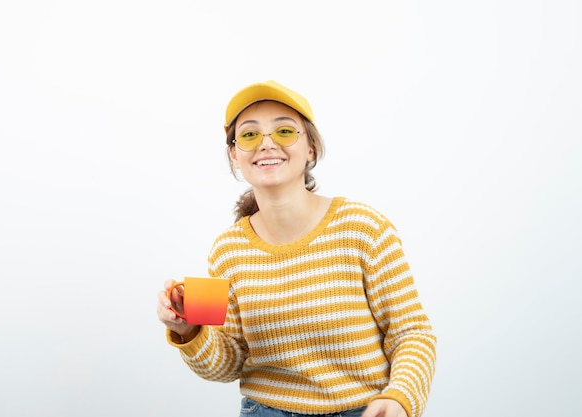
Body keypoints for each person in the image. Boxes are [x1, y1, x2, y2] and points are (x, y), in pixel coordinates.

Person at [156, 80, 437, 417]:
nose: (266, 144)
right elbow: (225, 365)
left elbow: (412, 333)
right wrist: (189, 330)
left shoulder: (365, 228)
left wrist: (399, 397)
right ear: (235, 154)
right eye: (249, 135)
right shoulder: (225, 250)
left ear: (311, 150)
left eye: (285, 132)